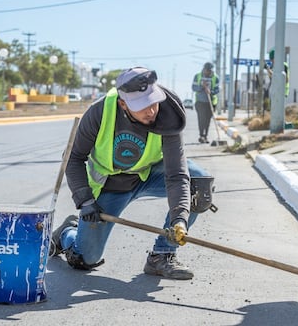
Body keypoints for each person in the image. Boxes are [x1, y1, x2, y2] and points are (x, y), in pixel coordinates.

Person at [50, 66, 196, 280]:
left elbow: (176, 174)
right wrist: (85, 199)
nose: (152, 110)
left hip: (148, 175)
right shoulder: (100, 112)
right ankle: (66, 234)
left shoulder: (169, 114)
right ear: (123, 104)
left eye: (153, 101)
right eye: (143, 106)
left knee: (198, 185)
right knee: (85, 259)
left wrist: (179, 219)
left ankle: (162, 256)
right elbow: (73, 159)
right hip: (111, 185)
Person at [191, 62, 220, 143]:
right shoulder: (197, 76)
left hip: (211, 102)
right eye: (206, 70)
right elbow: (193, 87)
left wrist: (211, 91)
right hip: (200, 101)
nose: (208, 72)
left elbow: (217, 89)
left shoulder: (215, 78)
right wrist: (202, 87)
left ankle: (205, 136)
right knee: (201, 119)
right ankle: (201, 135)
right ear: (204, 69)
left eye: (209, 70)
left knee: (207, 120)